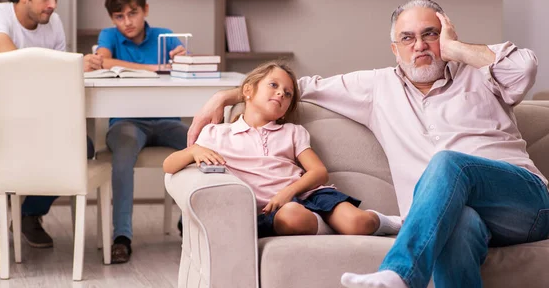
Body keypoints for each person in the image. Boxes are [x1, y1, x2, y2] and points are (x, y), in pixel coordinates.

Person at [187, 0, 549, 288]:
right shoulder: (377, 87)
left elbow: (525, 66)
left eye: (430, 34)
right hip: (455, 215)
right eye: (407, 38)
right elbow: (295, 88)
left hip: (523, 202)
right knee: (458, 228)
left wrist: (456, 50)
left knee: (449, 163)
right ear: (395, 50)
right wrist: (226, 95)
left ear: (447, 33)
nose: (419, 45)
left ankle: (400, 274)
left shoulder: (481, 73)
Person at [164, 62, 402, 238]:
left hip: (310, 195)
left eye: (287, 94)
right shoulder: (217, 134)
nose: (281, 93)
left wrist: (288, 192)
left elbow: (318, 173)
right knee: (291, 216)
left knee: (358, 223)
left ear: (287, 108)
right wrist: (193, 152)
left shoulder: (292, 132)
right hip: (272, 211)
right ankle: (328, 226)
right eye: (273, 85)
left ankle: (399, 223)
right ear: (248, 90)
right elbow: (169, 166)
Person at [0, 0, 98, 248]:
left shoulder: (54, 24)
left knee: (83, 147)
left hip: (38, 116)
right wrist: (72, 65)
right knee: (37, 139)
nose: (52, 4)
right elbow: (12, 65)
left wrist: (77, 67)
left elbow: (60, 81)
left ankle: (29, 213)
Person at [92, 0, 187, 263]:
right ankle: (122, 236)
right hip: (127, 122)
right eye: (119, 16)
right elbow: (103, 62)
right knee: (122, 155)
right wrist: (154, 69)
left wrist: (181, 58)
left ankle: (190, 220)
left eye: (132, 13)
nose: (127, 22)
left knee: (201, 145)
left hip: (167, 121)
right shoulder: (109, 36)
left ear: (145, 10)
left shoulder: (165, 36)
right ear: (112, 19)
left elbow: (185, 64)